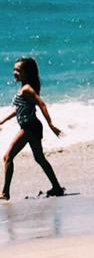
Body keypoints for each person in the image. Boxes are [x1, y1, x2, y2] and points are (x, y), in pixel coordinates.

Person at [1, 57, 64, 200]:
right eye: (14, 69)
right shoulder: (23, 87)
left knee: (7, 157)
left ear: (26, 73)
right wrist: (3, 121)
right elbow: (19, 109)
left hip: (30, 128)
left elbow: (42, 104)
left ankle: (5, 193)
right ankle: (57, 187)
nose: (14, 72)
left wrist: (51, 124)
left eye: (18, 70)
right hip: (31, 127)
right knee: (40, 159)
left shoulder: (27, 89)